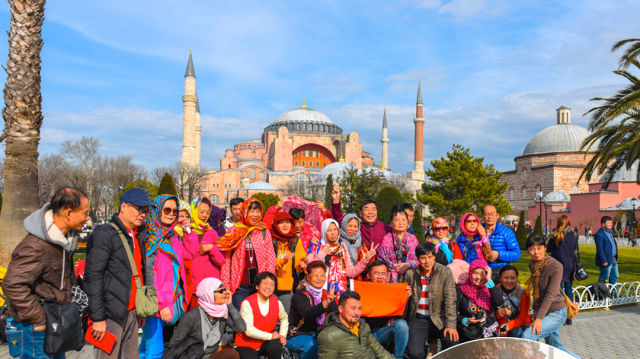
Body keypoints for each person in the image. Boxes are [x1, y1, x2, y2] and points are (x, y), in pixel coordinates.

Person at [2, 187, 89, 359]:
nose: (88, 218)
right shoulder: (36, 245)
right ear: (69, 213)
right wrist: (39, 319)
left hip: (53, 324)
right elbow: (12, 284)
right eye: (85, 213)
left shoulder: (62, 241)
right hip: (34, 329)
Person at [85, 188, 153, 359]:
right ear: (123, 207)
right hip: (110, 315)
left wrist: (139, 310)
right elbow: (93, 277)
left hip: (131, 312)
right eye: (139, 209)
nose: (143, 215)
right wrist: (98, 318)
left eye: (146, 211)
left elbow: (137, 274)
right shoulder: (105, 233)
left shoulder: (137, 235)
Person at [139, 195, 187, 359]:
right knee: (155, 350)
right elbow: (149, 274)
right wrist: (161, 305)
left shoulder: (171, 235)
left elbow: (190, 254)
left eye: (175, 210)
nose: (171, 214)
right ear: (158, 210)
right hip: (155, 303)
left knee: (145, 347)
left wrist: (188, 232)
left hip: (167, 300)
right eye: (167, 209)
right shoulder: (151, 237)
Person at [521, 235, 581, 359]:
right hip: (543, 311)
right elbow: (537, 290)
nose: (536, 252)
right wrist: (536, 311)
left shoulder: (556, 266)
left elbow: (549, 295)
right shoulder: (532, 263)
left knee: (528, 336)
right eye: (532, 249)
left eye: (539, 248)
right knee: (554, 347)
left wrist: (539, 319)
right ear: (528, 250)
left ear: (545, 248)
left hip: (557, 312)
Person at [216, 198, 277, 309]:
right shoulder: (234, 231)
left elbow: (271, 260)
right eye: (252, 211)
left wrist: (269, 283)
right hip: (239, 286)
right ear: (244, 212)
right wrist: (226, 285)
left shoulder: (263, 232)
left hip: (260, 286)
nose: (255, 214)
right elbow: (226, 261)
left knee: (257, 321)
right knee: (240, 321)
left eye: (258, 211)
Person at [164, 278, 245, 359]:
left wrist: (230, 305)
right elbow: (174, 344)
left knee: (233, 354)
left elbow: (241, 328)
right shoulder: (192, 316)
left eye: (225, 290)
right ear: (208, 293)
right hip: (193, 356)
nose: (225, 293)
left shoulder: (222, 313)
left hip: (211, 356)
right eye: (220, 291)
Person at [403, 242, 459, 359]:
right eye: (423, 258)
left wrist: (451, 325)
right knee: (414, 353)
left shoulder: (445, 272)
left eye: (430, 257)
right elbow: (402, 299)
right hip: (418, 318)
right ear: (418, 259)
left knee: (453, 342)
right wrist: (405, 295)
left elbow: (450, 299)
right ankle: (426, 350)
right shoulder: (410, 274)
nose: (427, 261)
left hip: (439, 318)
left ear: (434, 257)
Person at [306, 219, 375, 297]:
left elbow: (351, 273)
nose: (333, 233)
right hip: (319, 293)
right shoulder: (316, 247)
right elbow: (307, 268)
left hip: (338, 294)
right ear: (324, 232)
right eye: (329, 230)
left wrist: (364, 261)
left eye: (335, 229)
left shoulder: (342, 248)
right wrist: (321, 254)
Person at [317, 291, 394, 359]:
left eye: (359, 308)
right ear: (341, 309)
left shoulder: (363, 326)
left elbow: (380, 352)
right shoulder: (329, 335)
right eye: (353, 308)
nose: (357, 312)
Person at [287, 261, 339, 359]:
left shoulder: (327, 294)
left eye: (322, 275)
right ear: (308, 276)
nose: (319, 278)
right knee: (313, 346)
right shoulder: (300, 295)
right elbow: (308, 313)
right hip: (299, 334)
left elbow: (335, 315)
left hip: (321, 333)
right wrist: (325, 303)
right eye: (315, 275)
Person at [183, 197, 226, 310]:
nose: (205, 215)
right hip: (190, 288)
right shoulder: (184, 230)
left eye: (208, 212)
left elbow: (221, 261)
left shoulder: (212, 233)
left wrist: (212, 248)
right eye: (201, 211)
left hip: (210, 288)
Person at [235, 272, 288, 359]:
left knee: (276, 347)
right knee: (251, 357)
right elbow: (248, 330)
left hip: (265, 341)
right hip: (245, 344)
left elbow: (284, 318)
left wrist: (282, 335)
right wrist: (270, 336)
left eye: (272, 284)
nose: (268, 287)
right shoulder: (247, 303)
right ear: (257, 286)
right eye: (265, 283)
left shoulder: (277, 302)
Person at [364, 261, 410, 359]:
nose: (380, 277)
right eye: (376, 273)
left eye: (383, 274)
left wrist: (405, 297)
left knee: (401, 324)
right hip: (365, 335)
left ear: (387, 275)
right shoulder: (361, 290)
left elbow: (402, 314)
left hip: (383, 332)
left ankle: (398, 357)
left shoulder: (392, 290)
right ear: (368, 275)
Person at [455, 258, 504, 342]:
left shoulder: (489, 288)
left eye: (482, 273)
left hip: (488, 333)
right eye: (475, 273)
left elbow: (499, 302)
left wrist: (489, 279)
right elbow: (452, 313)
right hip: (468, 333)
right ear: (470, 273)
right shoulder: (461, 291)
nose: (478, 277)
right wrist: (466, 320)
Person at [331, 183, 392, 249]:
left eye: (373, 209)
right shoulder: (356, 228)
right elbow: (341, 222)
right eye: (367, 209)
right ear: (360, 213)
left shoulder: (387, 229)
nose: (370, 212)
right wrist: (336, 201)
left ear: (377, 212)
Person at [482, 204, 522, 283]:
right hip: (480, 271)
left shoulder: (506, 232)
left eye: (492, 214)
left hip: (499, 271)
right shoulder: (478, 232)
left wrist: (498, 254)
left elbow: (516, 253)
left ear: (497, 215)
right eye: (487, 214)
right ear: (482, 216)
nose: (490, 217)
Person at [378, 208, 419, 283]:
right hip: (391, 279)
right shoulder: (386, 239)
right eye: (397, 220)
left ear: (407, 222)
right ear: (392, 223)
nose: (400, 223)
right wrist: (396, 267)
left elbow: (419, 258)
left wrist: (409, 264)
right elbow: (380, 259)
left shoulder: (413, 239)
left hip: (411, 277)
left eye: (403, 220)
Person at [547, 215, 577, 313]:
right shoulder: (573, 234)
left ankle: (561, 311)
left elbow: (548, 248)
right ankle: (570, 311)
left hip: (558, 265)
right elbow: (575, 248)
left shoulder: (556, 235)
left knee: (558, 289)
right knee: (568, 289)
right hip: (569, 264)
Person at [270, 211, 298, 312]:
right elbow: (268, 261)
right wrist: (282, 261)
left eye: (288, 222)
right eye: (281, 222)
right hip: (271, 286)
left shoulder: (295, 240)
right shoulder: (270, 239)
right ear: (276, 224)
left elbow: (299, 260)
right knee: (272, 318)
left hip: (288, 287)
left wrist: (302, 265)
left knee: (286, 317)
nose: (285, 225)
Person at [495, 265, 531, 337]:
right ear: (500, 278)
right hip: (500, 323)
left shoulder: (524, 293)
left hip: (520, 325)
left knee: (513, 332)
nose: (509, 281)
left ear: (516, 278)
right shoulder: (495, 290)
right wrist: (499, 312)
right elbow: (491, 314)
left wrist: (507, 326)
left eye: (512, 278)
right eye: (506, 278)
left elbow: (522, 319)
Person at [339, 213, 374, 280]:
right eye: (349, 226)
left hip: (356, 281)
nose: (352, 229)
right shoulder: (337, 242)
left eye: (355, 226)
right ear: (344, 225)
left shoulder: (360, 244)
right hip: (339, 280)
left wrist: (369, 258)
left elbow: (365, 269)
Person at [594, 216, 618, 285]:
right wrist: (604, 260)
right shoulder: (599, 234)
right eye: (609, 223)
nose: (611, 224)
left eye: (611, 222)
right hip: (606, 260)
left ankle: (614, 293)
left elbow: (613, 245)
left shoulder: (610, 232)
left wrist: (615, 256)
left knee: (614, 277)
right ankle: (602, 293)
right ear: (603, 224)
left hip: (613, 259)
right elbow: (600, 249)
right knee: (604, 278)